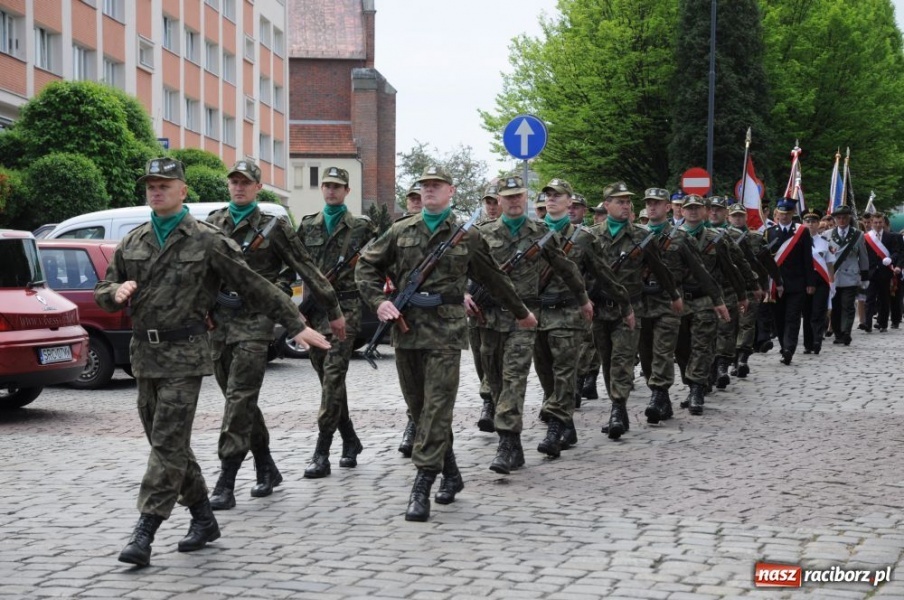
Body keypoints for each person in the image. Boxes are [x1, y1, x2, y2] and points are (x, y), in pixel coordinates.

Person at [95, 157, 330, 567]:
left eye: (164, 185)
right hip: (144, 357)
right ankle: (203, 518)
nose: (156, 190)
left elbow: (254, 285)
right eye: (150, 185)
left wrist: (294, 324)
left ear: (183, 191)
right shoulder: (132, 242)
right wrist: (114, 292)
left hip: (185, 356)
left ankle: (146, 530)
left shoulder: (207, 240)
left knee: (167, 443)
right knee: (166, 444)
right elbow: (103, 286)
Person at [356, 164, 537, 522]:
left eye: (437, 186)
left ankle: (422, 483)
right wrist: (379, 301)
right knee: (421, 410)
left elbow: (493, 278)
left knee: (438, 407)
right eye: (425, 186)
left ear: (451, 192)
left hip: (446, 333)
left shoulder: (466, 236)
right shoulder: (400, 230)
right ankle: (451, 473)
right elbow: (366, 266)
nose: (429, 190)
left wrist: (521, 312)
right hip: (407, 332)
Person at [204, 159, 345, 511]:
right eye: (234, 181)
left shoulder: (274, 226)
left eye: (245, 182)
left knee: (239, 398)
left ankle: (227, 478)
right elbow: (200, 273)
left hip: (255, 320)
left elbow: (305, 268)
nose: (239, 187)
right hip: (219, 322)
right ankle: (266, 465)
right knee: (238, 400)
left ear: (257, 186)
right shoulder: (213, 224)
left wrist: (333, 309)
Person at [472, 175, 593, 472]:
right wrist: (462, 293)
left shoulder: (540, 233)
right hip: (489, 319)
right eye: (507, 196)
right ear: (498, 200)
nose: (513, 201)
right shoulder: (482, 234)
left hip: (524, 319)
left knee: (515, 378)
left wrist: (582, 298)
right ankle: (512, 442)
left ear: (525, 199)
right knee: (496, 380)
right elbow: (461, 268)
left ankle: (508, 443)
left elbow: (565, 268)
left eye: (518, 196)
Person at [533, 177, 630, 456]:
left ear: (569, 201)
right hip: (538, 312)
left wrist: (625, 305)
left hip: (569, 312)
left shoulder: (584, 238)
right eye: (548, 194)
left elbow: (603, 274)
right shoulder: (532, 233)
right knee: (545, 373)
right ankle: (567, 423)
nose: (551, 199)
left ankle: (554, 427)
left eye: (557, 195)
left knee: (565, 372)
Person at [296, 166, 377, 479]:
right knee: (329, 381)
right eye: (327, 186)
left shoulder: (361, 227)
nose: (331, 191)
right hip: (315, 311)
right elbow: (297, 264)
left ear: (347, 191)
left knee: (332, 378)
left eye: (337, 187)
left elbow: (377, 260)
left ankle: (322, 451)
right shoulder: (307, 225)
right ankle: (351, 441)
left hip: (347, 309)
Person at [590, 182, 678, 438]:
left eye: (628, 201)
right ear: (607, 205)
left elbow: (660, 269)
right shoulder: (591, 236)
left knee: (622, 360)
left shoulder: (642, 237)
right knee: (607, 360)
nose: (626, 205)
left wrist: (673, 296)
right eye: (619, 201)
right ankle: (618, 405)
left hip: (630, 309)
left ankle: (618, 408)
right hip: (599, 309)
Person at [638, 188, 724, 422]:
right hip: (643, 302)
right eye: (649, 203)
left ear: (668, 207)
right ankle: (662, 397)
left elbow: (700, 270)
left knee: (668, 350)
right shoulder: (637, 234)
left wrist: (717, 300)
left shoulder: (680, 237)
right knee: (647, 353)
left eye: (657, 203)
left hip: (672, 302)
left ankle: (674, 391)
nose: (652, 207)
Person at [673, 194, 740, 415]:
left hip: (705, 299)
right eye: (688, 208)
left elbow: (731, 267)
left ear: (705, 211)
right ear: (681, 211)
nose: (692, 211)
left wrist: (742, 293)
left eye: (697, 208)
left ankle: (696, 389)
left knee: (701, 346)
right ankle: (691, 379)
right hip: (680, 300)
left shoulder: (716, 238)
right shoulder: (672, 237)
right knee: (681, 348)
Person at [726, 202, 782, 377]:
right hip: (728, 288)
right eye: (734, 216)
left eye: (740, 216)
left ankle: (743, 357)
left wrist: (774, 283)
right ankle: (732, 360)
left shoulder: (755, 238)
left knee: (747, 324)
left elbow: (766, 264)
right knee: (730, 326)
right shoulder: (722, 237)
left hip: (751, 287)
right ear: (728, 217)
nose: (737, 219)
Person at [764, 198, 817, 365]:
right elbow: (766, 261)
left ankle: (789, 348)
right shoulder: (769, 232)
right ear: (777, 213)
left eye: (787, 213)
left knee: (793, 317)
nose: (784, 216)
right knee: (779, 318)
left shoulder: (801, 232)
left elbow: (808, 259)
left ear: (793, 213)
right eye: (781, 213)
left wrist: (810, 282)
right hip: (776, 284)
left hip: (797, 282)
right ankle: (783, 345)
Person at [471, 183, 503, 433]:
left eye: (495, 202)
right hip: (478, 305)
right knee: (482, 357)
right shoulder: (476, 232)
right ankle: (490, 399)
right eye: (488, 203)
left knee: (497, 356)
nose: (492, 207)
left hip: (503, 307)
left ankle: (491, 403)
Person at [827, 205, 869, 345]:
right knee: (836, 306)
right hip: (834, 276)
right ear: (835, 219)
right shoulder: (827, 235)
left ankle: (846, 332)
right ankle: (838, 333)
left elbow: (863, 256)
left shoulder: (858, 234)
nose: (842, 220)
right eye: (839, 218)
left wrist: (864, 276)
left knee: (848, 305)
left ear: (849, 218)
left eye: (844, 217)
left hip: (851, 276)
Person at [801, 208, 833, 354]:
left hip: (821, 281)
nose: (810, 224)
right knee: (807, 312)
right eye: (807, 221)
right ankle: (808, 343)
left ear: (818, 223)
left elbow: (829, 264)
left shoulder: (824, 242)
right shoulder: (797, 242)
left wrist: (832, 283)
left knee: (818, 312)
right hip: (804, 281)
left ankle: (817, 339)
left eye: (813, 221)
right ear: (803, 223)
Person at [863, 212, 901, 333]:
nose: (878, 225)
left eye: (880, 222)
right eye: (875, 222)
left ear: (883, 223)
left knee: (884, 299)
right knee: (869, 298)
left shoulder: (890, 236)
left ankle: (883, 323)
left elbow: (896, 252)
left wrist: (891, 259)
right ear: (872, 223)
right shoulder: (866, 237)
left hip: (885, 272)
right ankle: (867, 323)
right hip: (871, 272)